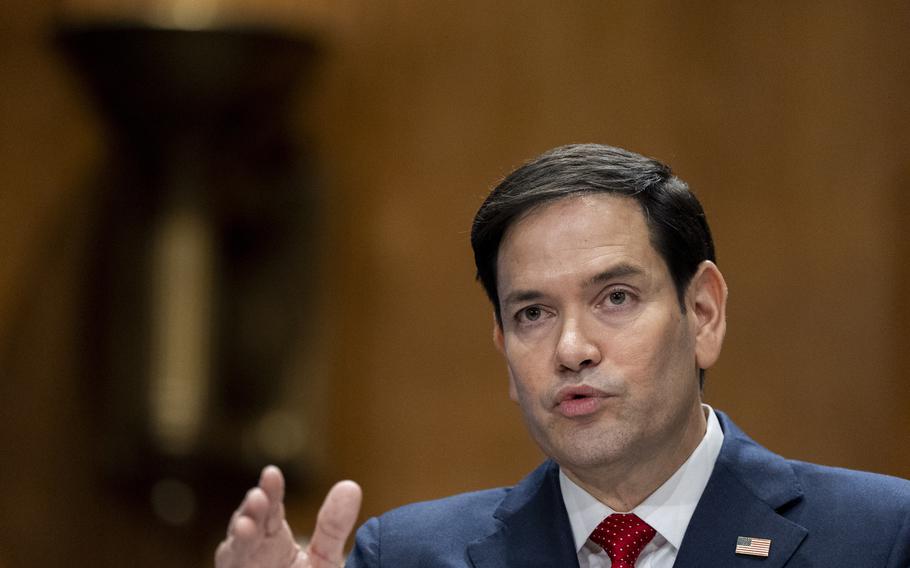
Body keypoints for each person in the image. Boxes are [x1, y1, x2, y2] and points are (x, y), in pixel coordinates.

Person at [216, 144, 910, 567]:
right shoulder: (405, 556)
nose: (572, 349)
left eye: (615, 299)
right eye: (533, 314)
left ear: (703, 312)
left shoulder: (880, 537)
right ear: (504, 351)